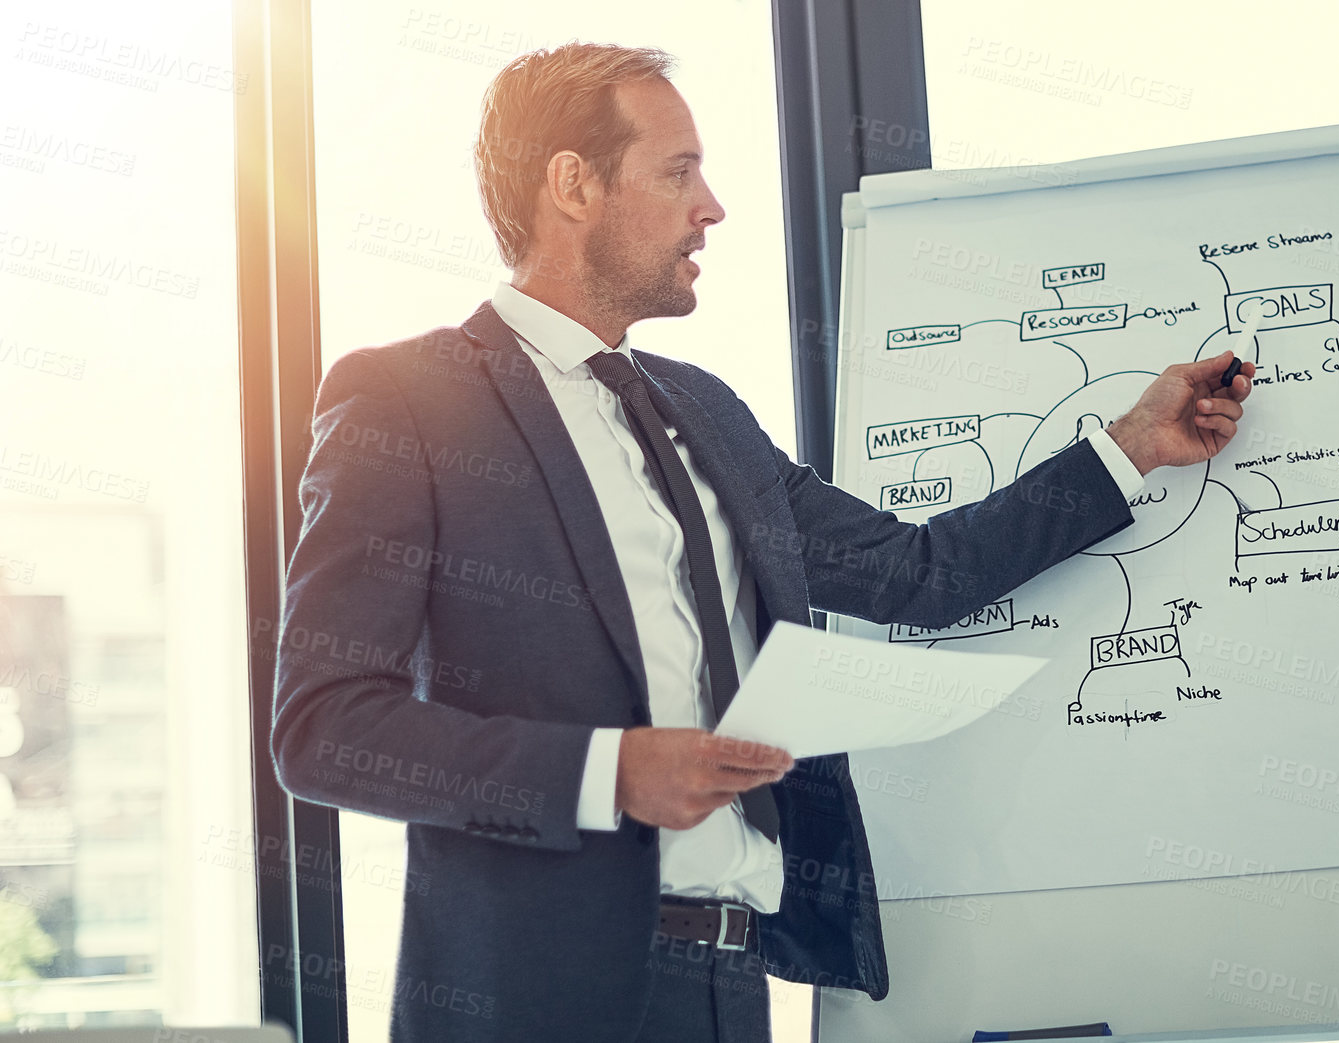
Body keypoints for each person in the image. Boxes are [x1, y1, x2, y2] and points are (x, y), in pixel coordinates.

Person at [270, 41, 1254, 1043]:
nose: (711, 207)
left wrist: (1131, 446)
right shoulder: (409, 399)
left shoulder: (705, 411)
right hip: (534, 994)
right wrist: (607, 771)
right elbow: (326, 728)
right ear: (572, 183)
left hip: (731, 983)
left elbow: (920, 573)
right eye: (678, 170)